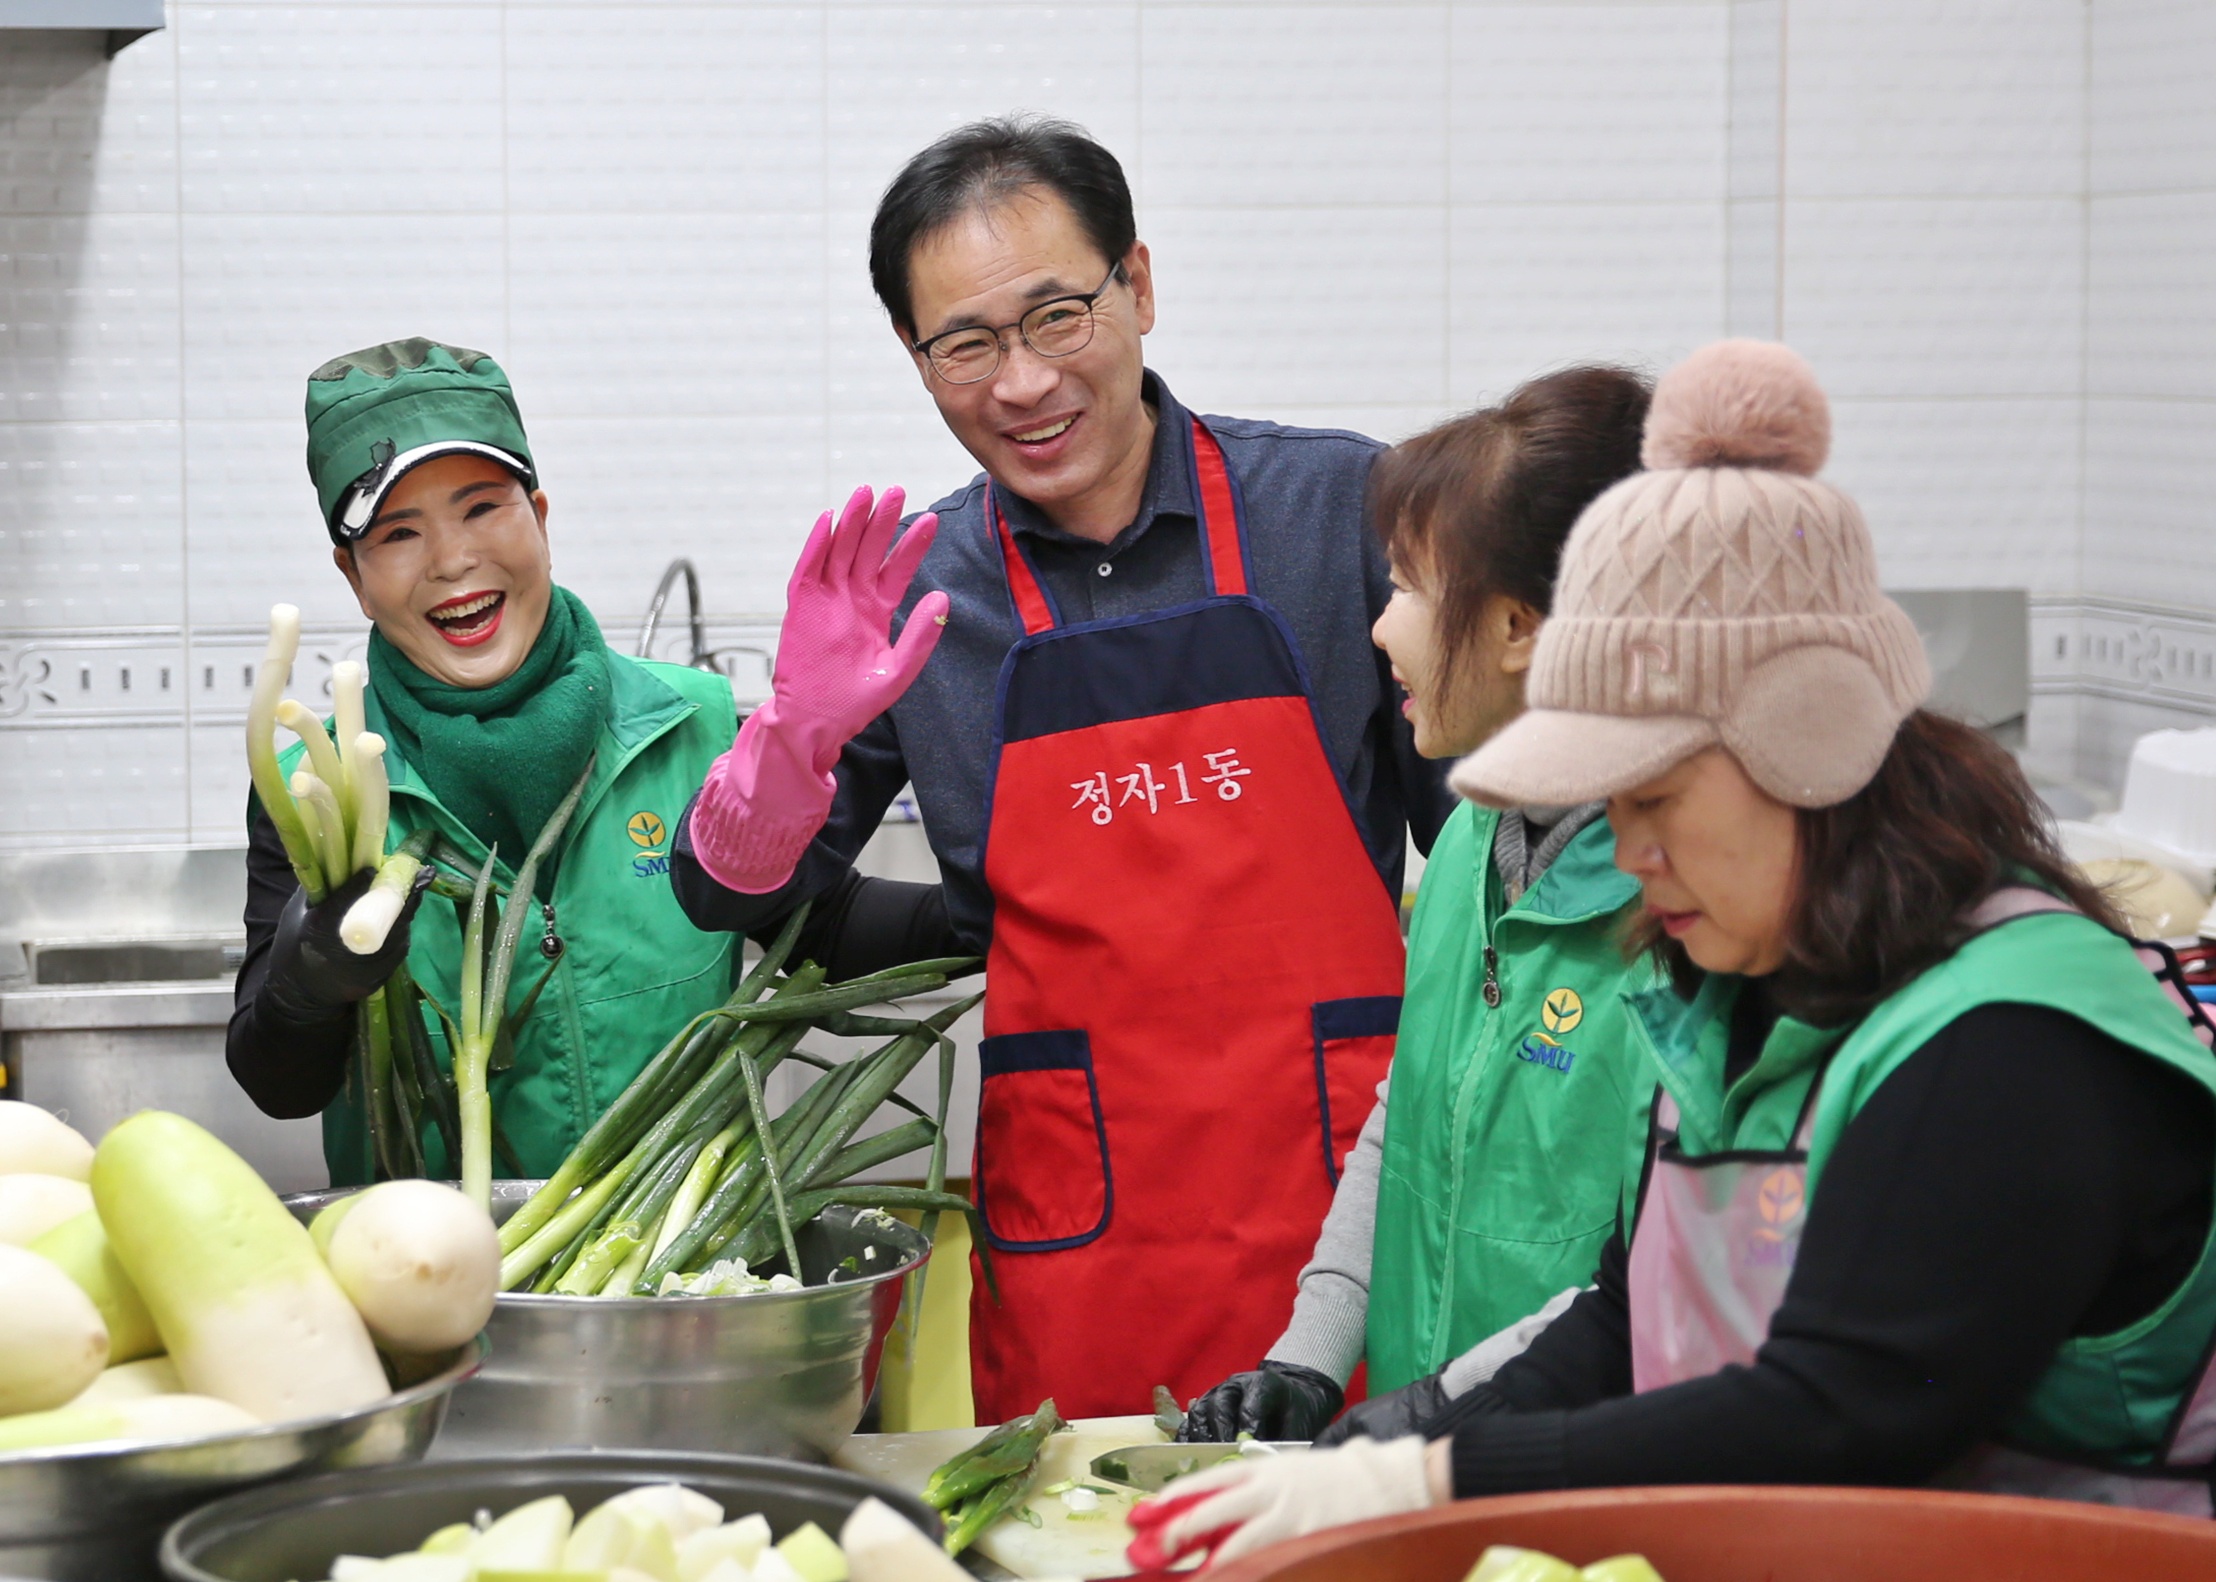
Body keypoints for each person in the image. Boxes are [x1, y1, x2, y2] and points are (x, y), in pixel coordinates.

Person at [1127, 339, 2216, 1568]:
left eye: (1650, 798)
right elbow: (1622, 1311)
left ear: (1795, 751)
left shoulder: (2008, 1037)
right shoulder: (1743, 985)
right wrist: (1378, 1450)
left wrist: (1434, 1470)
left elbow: (1831, 1412)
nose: (1627, 854)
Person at [669, 116, 1454, 1422]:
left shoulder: (1342, 510)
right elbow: (732, 899)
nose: (1022, 381)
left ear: (1137, 286)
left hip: (1344, 1216)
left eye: (1058, 317)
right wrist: (794, 734)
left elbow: (1492, 862)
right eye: (966, 345)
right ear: (920, 363)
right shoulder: (920, 592)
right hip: (1081, 1242)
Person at [1180, 367, 1659, 1445]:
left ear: (1518, 627)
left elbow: (1653, 1266)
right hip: (1444, 1470)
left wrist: (1443, 1415)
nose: (1378, 628)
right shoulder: (1468, 844)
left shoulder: (1683, 900)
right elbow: (1410, 1112)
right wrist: (1310, 1355)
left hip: (1582, 1466)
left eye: (1406, 588)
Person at [228, 338, 770, 1183]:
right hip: (428, 1288)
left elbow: (826, 926)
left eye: (482, 509)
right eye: (398, 533)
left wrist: (982, 911)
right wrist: (307, 987)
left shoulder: (698, 729)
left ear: (540, 518)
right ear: (355, 577)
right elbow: (279, 1085)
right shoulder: (319, 789)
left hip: (690, 1277)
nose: (453, 562)